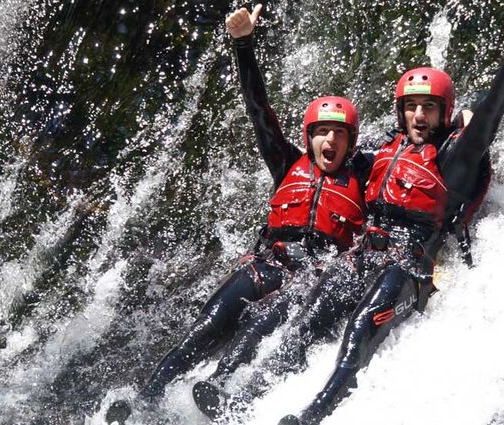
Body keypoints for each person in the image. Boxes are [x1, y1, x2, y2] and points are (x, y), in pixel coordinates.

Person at [104, 4, 368, 424]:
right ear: (309, 137)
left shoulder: (365, 175)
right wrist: (243, 45)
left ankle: (227, 394)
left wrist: (456, 128)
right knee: (208, 322)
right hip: (268, 263)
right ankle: (144, 399)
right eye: (321, 132)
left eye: (338, 133)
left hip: (310, 277)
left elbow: (409, 178)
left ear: (350, 141)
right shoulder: (287, 163)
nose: (329, 141)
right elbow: (258, 109)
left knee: (260, 324)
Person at [273, 2, 504, 424]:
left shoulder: (454, 159)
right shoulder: (383, 152)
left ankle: (313, 415)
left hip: (409, 268)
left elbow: (487, 121)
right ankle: (245, 394)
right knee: (310, 317)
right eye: (411, 106)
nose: (418, 115)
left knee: (360, 327)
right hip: (363, 255)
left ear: (444, 113)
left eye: (428, 107)